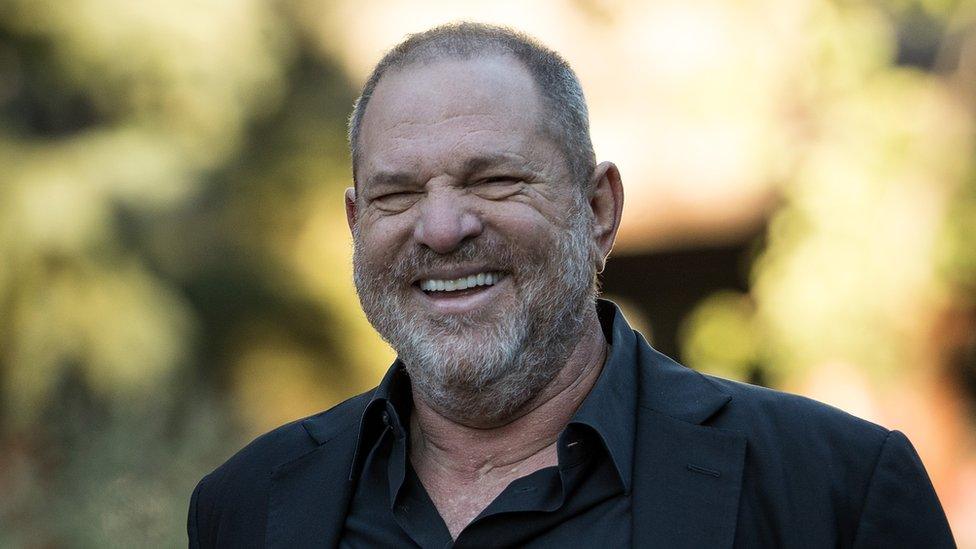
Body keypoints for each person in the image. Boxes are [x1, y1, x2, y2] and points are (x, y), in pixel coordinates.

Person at [187, 22, 955, 548]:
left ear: (598, 210)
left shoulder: (833, 492)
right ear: (357, 224)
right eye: (397, 194)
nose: (443, 227)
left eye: (493, 179)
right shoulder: (248, 505)